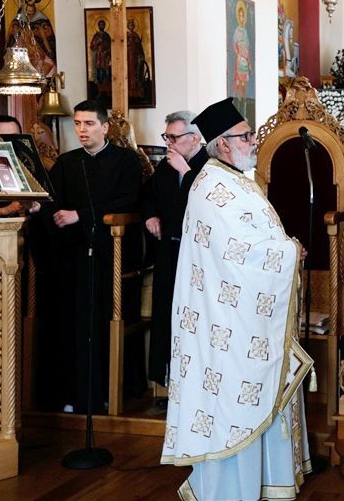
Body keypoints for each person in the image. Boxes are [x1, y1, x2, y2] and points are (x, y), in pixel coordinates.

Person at [161, 98, 312, 500]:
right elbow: (239, 253)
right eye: (246, 136)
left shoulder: (232, 180)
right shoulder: (213, 188)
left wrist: (283, 248)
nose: (253, 141)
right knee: (234, 403)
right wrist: (289, 252)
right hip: (226, 325)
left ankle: (267, 483)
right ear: (224, 144)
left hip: (244, 315)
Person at [46, 100, 142, 412]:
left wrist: (81, 215)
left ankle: (105, 393)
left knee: (101, 324)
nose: (81, 130)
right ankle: (74, 395)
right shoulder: (67, 162)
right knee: (72, 324)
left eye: (88, 124)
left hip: (110, 255)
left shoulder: (126, 161)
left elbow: (129, 200)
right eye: (77, 124)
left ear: (105, 126)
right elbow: (51, 201)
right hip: (74, 255)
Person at [141, 111, 208, 391]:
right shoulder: (166, 166)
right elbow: (147, 195)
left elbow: (209, 202)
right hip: (169, 250)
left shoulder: (210, 165)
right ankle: (167, 383)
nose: (168, 143)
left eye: (173, 137)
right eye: (166, 137)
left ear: (194, 138)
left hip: (200, 257)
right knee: (167, 314)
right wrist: (151, 215)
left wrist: (185, 172)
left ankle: (194, 385)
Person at [232, 1, 251, 97]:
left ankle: (244, 100)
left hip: (245, 60)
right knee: (239, 82)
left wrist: (248, 61)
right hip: (240, 60)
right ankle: (239, 99)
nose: (242, 18)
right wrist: (238, 55)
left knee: (245, 83)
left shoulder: (245, 31)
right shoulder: (237, 31)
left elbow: (248, 47)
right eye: (240, 16)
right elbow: (234, 45)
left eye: (243, 16)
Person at [88, 18, 112, 97]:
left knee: (107, 75)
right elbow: (92, 47)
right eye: (100, 24)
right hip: (99, 59)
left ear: (105, 26)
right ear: (98, 26)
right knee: (100, 75)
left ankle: (108, 91)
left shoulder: (107, 36)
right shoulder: (96, 36)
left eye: (103, 24)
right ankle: (100, 91)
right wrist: (97, 41)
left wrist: (107, 52)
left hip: (106, 58)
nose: (102, 26)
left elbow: (111, 46)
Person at [126, 19, 147, 99]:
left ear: (134, 26)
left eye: (132, 25)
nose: (131, 26)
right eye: (129, 25)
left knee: (135, 72)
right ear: (128, 26)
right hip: (127, 56)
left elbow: (139, 47)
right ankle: (128, 91)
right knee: (128, 72)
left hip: (135, 56)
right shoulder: (126, 35)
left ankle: (136, 91)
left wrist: (141, 55)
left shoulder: (136, 35)